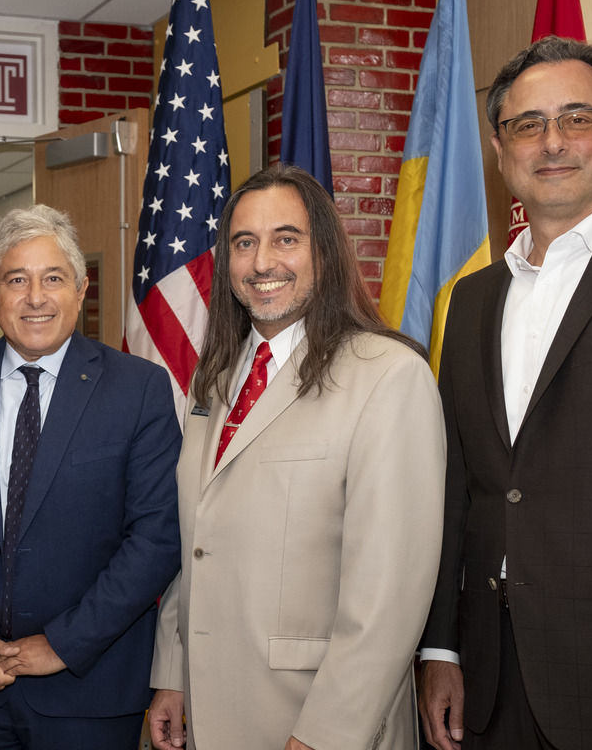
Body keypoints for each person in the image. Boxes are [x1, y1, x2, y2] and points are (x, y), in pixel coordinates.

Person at [418, 36, 592, 750]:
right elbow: (460, 488)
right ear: (497, 146)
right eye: (526, 124)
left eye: (576, 118)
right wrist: (441, 648)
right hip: (488, 674)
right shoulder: (470, 298)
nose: (551, 142)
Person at [148, 164, 446, 750]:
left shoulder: (388, 377)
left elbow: (389, 595)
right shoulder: (215, 381)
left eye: (286, 238)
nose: (262, 263)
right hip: (210, 709)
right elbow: (196, 544)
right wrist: (171, 675)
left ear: (326, 253)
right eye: (244, 243)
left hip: (317, 720)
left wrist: (327, 735)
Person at [0, 204, 181, 749]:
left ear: (81, 288)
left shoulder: (138, 390)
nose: (35, 297)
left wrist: (62, 644)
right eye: (17, 280)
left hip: (90, 690)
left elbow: (157, 538)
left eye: (53, 278)